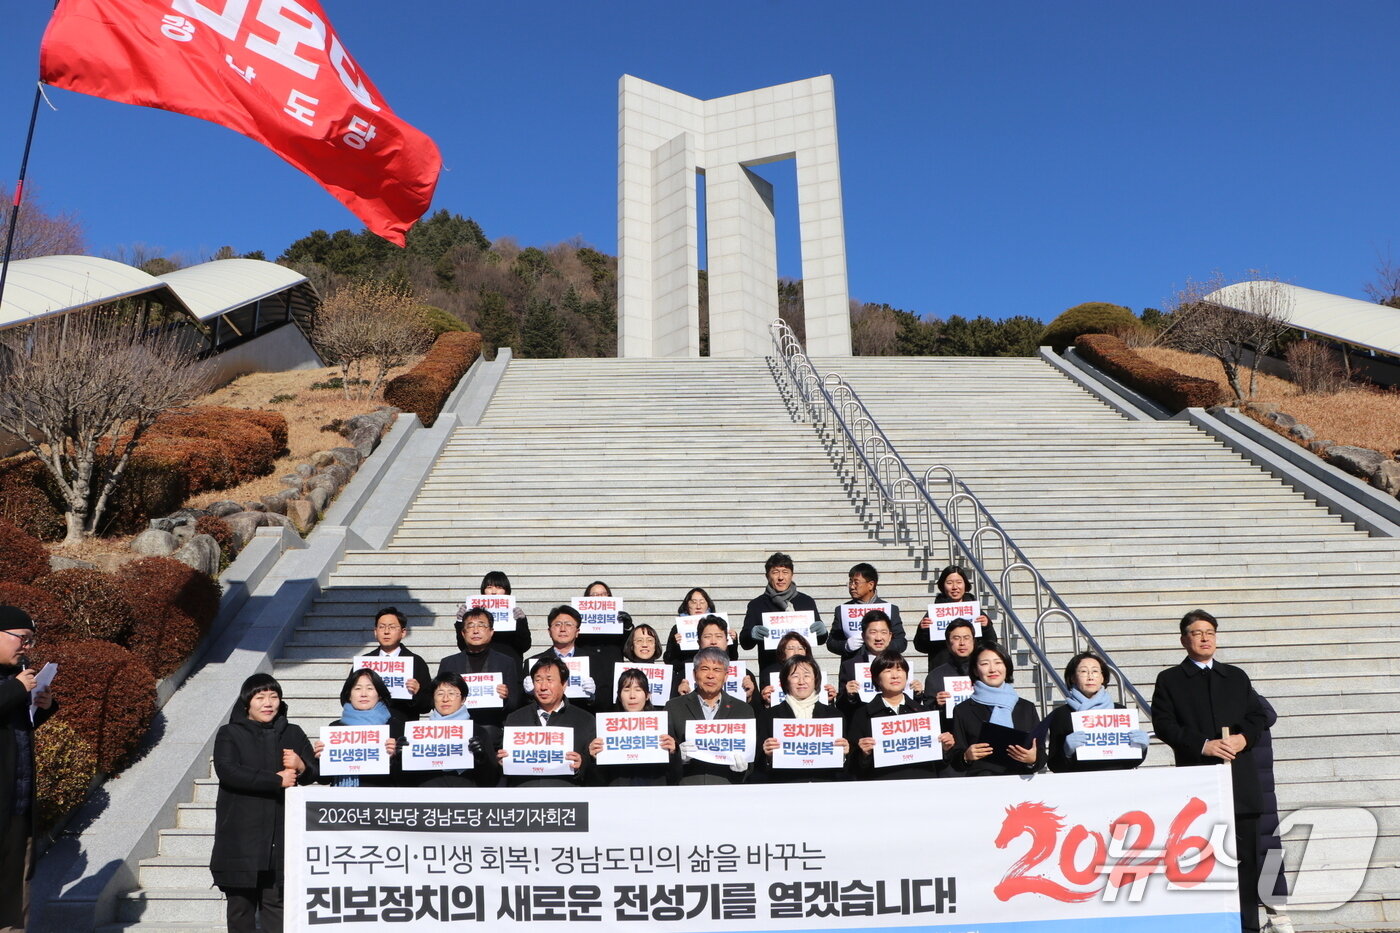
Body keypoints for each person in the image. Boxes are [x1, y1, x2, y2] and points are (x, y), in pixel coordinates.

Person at [1152, 610, 1269, 933]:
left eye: (1210, 632)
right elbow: (1164, 724)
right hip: (1198, 783)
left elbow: (1257, 716)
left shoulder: (1236, 676)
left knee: (1245, 860)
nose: (1204, 638)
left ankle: (1248, 926)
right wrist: (1203, 745)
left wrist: (1243, 738)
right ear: (1183, 640)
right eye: (1196, 633)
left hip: (1240, 782)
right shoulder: (1170, 680)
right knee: (1203, 859)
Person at [210, 672, 316, 933]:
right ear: (247, 703)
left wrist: (302, 766)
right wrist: (275, 780)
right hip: (240, 836)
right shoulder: (229, 733)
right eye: (260, 697)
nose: (268, 702)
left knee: (277, 909)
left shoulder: (292, 732)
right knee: (240, 910)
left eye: (274, 696)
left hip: (280, 837)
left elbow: (318, 772)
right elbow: (228, 771)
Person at [0, 606, 54, 933]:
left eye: (31, 641)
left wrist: (41, 706)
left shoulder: (15, 679)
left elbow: (16, 731)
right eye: (22, 638)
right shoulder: (14, 683)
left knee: (16, 889)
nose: (27, 647)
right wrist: (17, 690)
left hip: (17, 808)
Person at [1045, 652, 1150, 773]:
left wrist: (1141, 748)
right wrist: (1066, 752)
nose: (1090, 677)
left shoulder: (1120, 711)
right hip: (1079, 783)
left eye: (1095, 671)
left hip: (1118, 781)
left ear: (1103, 678)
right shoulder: (1061, 714)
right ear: (1072, 678)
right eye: (1083, 671)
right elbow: (1054, 765)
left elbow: (1132, 762)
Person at [500, 657, 596, 787]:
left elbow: (594, 769)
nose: (543, 687)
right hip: (524, 797)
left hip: (566, 798)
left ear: (564, 684)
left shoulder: (585, 720)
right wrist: (501, 761)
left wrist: (582, 764)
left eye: (550, 680)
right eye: (538, 680)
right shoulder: (515, 719)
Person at [665, 646, 755, 785]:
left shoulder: (743, 710)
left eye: (717, 670)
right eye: (705, 669)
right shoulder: (673, 707)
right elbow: (663, 756)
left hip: (727, 788)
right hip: (686, 788)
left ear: (726, 676)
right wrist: (678, 757)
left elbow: (751, 761)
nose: (711, 675)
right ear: (695, 674)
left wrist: (744, 767)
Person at [951, 644, 1044, 777]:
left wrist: (1032, 760)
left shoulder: (1026, 707)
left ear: (1006, 667)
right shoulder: (963, 710)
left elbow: (1040, 753)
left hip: (1020, 783)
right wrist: (966, 756)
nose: (992, 669)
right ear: (975, 670)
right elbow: (954, 758)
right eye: (984, 664)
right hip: (982, 784)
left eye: (998, 663)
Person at [848, 650, 939, 781]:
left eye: (900, 670)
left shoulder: (923, 713)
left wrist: (945, 748)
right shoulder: (863, 715)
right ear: (876, 678)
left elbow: (938, 761)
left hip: (920, 785)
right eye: (888, 671)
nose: (895, 676)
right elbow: (852, 766)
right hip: (882, 787)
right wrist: (863, 754)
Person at [436, 605, 523, 738]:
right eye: (470, 626)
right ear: (463, 633)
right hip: (456, 731)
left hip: (493, 730)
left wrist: (506, 696)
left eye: (481, 626)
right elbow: (437, 698)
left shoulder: (506, 662)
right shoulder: (448, 663)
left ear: (491, 631)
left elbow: (515, 704)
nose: (475, 631)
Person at [758, 655, 848, 783]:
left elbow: (845, 768)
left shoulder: (834, 715)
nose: (801, 681)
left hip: (824, 786)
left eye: (806, 675)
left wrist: (844, 754)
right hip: (785, 787)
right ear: (785, 681)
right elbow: (758, 766)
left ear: (815, 680)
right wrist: (767, 756)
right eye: (794, 676)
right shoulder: (770, 716)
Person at [587, 668, 677, 786]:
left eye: (638, 690)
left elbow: (675, 776)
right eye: (626, 690)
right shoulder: (605, 728)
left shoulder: (662, 727)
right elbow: (596, 780)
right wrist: (593, 758)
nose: (632, 696)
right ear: (619, 696)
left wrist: (673, 753)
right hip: (617, 796)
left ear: (647, 695)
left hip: (654, 796)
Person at [314, 669, 402, 787]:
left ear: (379, 694)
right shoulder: (335, 728)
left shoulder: (394, 727)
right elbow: (323, 779)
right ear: (349, 695)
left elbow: (406, 777)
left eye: (370, 688)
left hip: (382, 799)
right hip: (344, 801)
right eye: (357, 688)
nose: (363, 694)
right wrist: (321, 759)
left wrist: (394, 757)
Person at [742, 552, 827, 671]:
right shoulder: (756, 605)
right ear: (767, 576)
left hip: (802, 670)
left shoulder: (806, 601)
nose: (781, 577)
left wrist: (822, 631)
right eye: (775, 572)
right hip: (771, 671)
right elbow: (745, 643)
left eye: (785, 572)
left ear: (792, 575)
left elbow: (820, 639)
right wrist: (752, 633)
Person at [413, 673, 500, 788]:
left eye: (452, 693)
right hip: (428, 796)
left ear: (463, 699)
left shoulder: (478, 733)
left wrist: (482, 759)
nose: (445, 699)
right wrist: (400, 758)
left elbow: (490, 780)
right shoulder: (419, 733)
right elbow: (405, 780)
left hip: (465, 798)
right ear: (433, 698)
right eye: (440, 694)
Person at [914, 565, 997, 669]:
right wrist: (923, 630)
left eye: (959, 582)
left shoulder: (975, 611)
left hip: (972, 668)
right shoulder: (934, 613)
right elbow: (921, 646)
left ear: (965, 585)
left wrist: (986, 627)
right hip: (942, 668)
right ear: (942, 586)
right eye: (949, 583)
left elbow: (991, 642)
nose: (954, 587)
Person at [362, 607, 432, 721]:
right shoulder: (364, 663)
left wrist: (417, 692)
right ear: (375, 632)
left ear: (403, 632)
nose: (386, 631)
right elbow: (345, 698)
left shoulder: (416, 662)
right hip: (370, 726)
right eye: (381, 627)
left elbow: (427, 705)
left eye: (392, 627)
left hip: (402, 728)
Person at [526, 606, 601, 713]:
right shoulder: (534, 662)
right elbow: (522, 704)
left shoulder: (594, 661)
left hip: (582, 720)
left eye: (568, 625)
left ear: (577, 631)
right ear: (549, 631)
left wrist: (592, 697)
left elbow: (605, 700)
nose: (562, 629)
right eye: (557, 624)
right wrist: (529, 694)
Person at [922, 618, 978, 757]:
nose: (962, 643)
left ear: (974, 641)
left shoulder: (985, 671)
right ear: (948, 643)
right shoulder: (935, 676)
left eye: (966, 638)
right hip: (951, 743)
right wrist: (937, 705)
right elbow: (927, 715)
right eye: (956, 638)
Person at [830, 563, 907, 658]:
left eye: (856, 582)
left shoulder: (890, 609)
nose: (852, 587)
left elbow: (901, 642)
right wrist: (845, 646)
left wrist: (883, 647)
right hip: (852, 666)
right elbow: (831, 642)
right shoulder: (842, 610)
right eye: (850, 582)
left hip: (882, 665)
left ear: (871, 585)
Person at [456, 571, 530, 661]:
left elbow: (525, 645)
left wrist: (521, 621)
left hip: (509, 667)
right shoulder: (474, 616)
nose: (494, 592)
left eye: (499, 587)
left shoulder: (516, 616)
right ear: (483, 591)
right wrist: (461, 621)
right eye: (489, 587)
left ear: (506, 591)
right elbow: (462, 646)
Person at [837, 610, 899, 713]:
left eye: (883, 632)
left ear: (890, 636)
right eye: (873, 632)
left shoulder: (900, 664)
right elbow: (840, 706)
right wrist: (849, 696)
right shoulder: (849, 666)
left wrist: (917, 693)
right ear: (863, 636)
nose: (879, 638)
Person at [663, 588, 738, 666]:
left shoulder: (719, 625)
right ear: (687, 605)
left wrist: (733, 642)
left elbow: (733, 658)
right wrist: (675, 645)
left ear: (708, 605)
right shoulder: (677, 628)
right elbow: (668, 660)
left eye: (702, 602)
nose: (698, 606)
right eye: (694, 602)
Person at [759, 631, 836, 707]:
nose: (796, 652)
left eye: (800, 648)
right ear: (783, 652)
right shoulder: (770, 675)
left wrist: (828, 699)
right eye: (791, 648)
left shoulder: (814, 670)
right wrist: (767, 702)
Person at [613, 623, 681, 705]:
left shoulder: (669, 676)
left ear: (655, 646)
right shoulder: (619, 675)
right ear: (631, 646)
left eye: (650, 641)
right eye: (639, 641)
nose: (645, 645)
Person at [576, 581, 633, 672]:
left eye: (603, 594)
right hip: (588, 673)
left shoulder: (618, 621)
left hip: (611, 673)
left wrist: (627, 627)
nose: (600, 597)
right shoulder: (579, 623)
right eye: (594, 594)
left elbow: (629, 649)